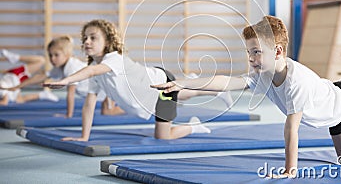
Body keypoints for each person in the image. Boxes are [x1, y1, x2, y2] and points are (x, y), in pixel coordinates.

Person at [152, 15, 341, 178]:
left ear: (278, 51)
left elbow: (292, 129)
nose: (251, 59)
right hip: (337, 118)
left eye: (256, 52)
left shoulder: (295, 81)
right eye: (249, 52)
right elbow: (227, 82)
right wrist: (181, 83)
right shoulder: (265, 74)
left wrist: (290, 170)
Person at [43, 19, 225, 141]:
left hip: (160, 85)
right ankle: (210, 88)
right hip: (153, 91)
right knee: (184, 94)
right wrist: (84, 137)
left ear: (107, 42)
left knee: (163, 137)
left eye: (93, 37)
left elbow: (91, 70)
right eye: (85, 38)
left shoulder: (113, 58)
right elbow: (89, 105)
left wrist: (66, 81)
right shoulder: (96, 73)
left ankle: (194, 126)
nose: (87, 42)